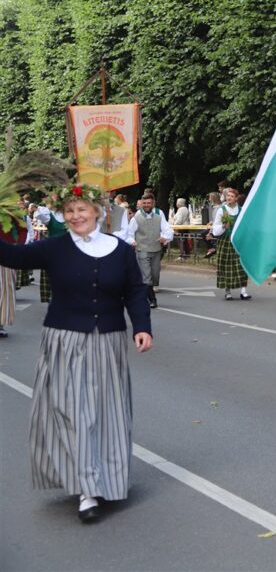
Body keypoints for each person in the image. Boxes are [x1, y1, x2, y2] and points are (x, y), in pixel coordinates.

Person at [0, 182, 152, 523]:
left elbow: (135, 291)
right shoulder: (54, 248)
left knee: (106, 412)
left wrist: (142, 327)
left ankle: (107, 480)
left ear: (97, 211)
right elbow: (12, 256)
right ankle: (87, 489)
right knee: (73, 412)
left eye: (81, 209)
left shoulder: (119, 249)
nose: (75, 216)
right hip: (64, 340)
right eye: (69, 210)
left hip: (108, 341)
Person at [126, 192, 173, 309]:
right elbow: (129, 234)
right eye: (144, 203)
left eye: (149, 203)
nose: (146, 205)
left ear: (153, 203)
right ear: (142, 203)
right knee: (146, 276)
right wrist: (132, 241)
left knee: (155, 275)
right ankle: (152, 300)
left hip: (156, 249)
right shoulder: (136, 217)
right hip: (142, 249)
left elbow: (167, 229)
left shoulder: (159, 215)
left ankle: (142, 294)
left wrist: (165, 237)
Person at [211, 187, 251, 300]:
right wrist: (223, 226)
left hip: (238, 241)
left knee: (241, 265)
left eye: (232, 196)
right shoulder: (221, 210)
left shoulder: (241, 210)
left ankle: (243, 291)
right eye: (228, 196)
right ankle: (227, 292)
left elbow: (245, 226)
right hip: (225, 241)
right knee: (226, 266)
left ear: (236, 198)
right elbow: (215, 230)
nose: (229, 198)